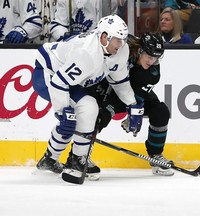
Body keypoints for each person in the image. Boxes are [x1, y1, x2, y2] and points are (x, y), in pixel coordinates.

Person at [32, 14, 144, 181]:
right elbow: (58, 82)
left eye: (123, 40)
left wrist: (132, 105)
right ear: (104, 37)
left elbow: (119, 80)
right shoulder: (86, 53)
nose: (121, 45)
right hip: (48, 73)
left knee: (86, 109)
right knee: (84, 110)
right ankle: (74, 159)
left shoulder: (121, 49)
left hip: (65, 79)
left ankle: (56, 159)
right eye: (118, 40)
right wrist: (63, 112)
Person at [85, 32, 174, 176]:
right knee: (98, 116)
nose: (152, 61)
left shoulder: (152, 73)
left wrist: (133, 114)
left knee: (160, 111)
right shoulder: (123, 48)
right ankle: (81, 156)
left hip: (132, 91)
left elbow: (137, 97)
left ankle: (156, 155)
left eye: (156, 58)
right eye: (149, 56)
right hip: (109, 86)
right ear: (140, 50)